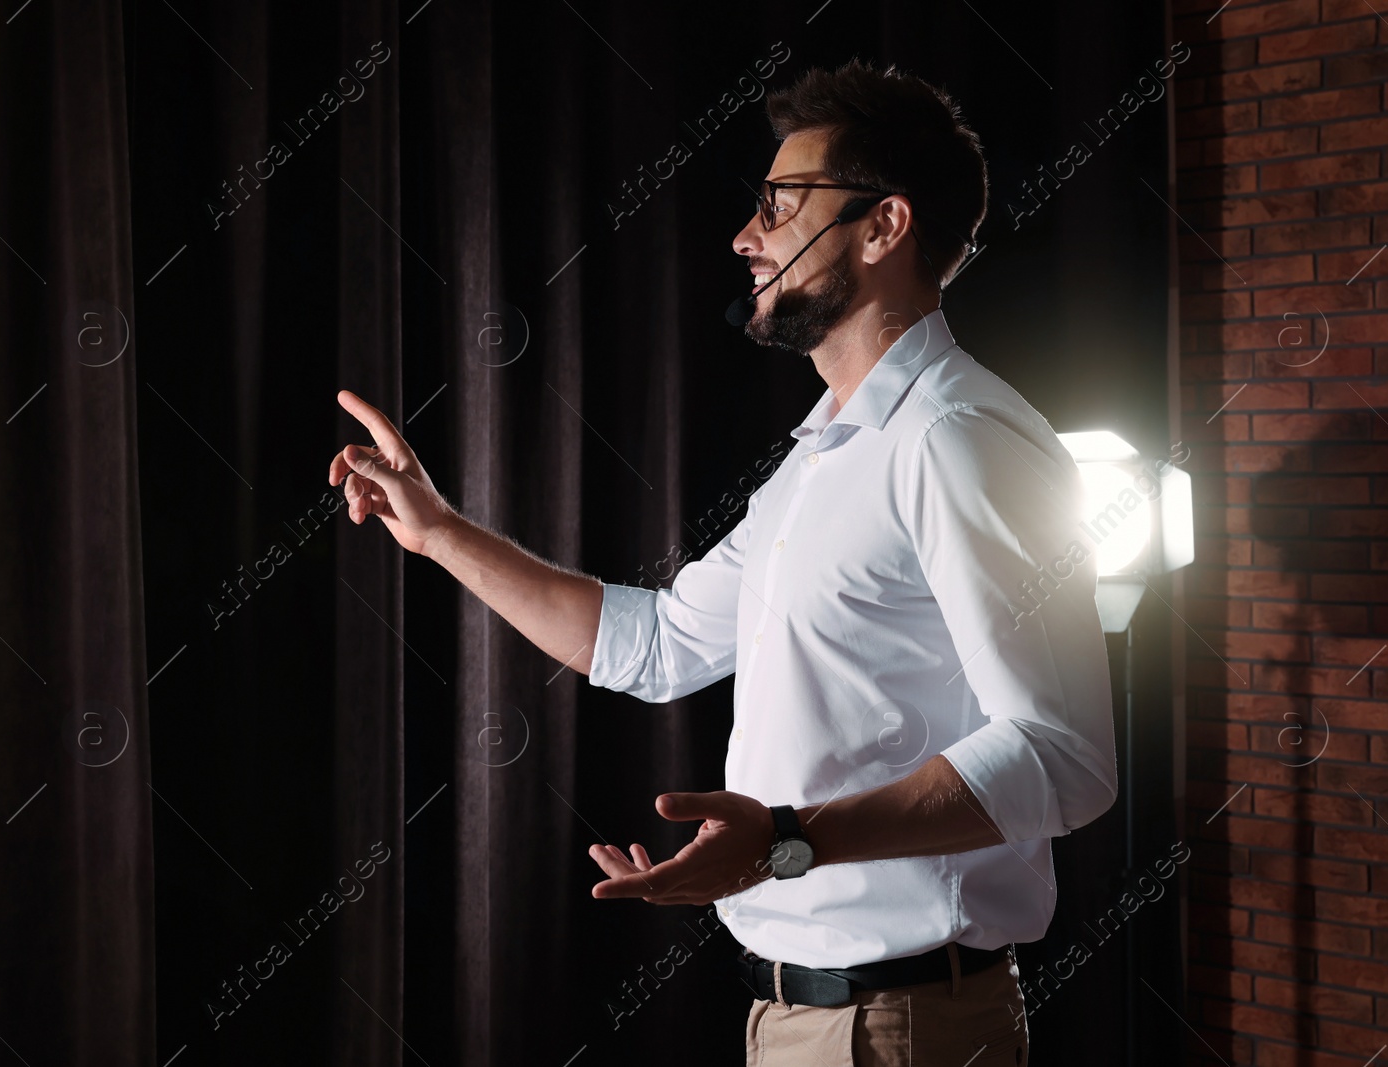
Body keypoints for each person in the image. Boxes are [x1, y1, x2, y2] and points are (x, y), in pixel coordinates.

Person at [329, 56, 1116, 1067]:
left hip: (903, 1027)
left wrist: (787, 837)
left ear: (883, 227)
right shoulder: (822, 457)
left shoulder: (958, 438)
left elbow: (1065, 757)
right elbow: (652, 645)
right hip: (798, 1020)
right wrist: (437, 529)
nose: (747, 238)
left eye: (783, 207)